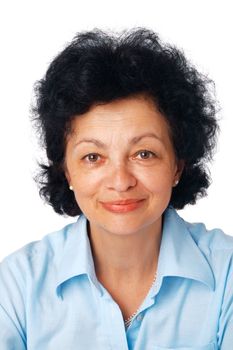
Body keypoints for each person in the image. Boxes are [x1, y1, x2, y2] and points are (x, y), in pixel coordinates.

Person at [0, 27, 232, 350]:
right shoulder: (14, 288)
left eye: (144, 153)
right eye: (93, 157)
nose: (121, 181)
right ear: (66, 170)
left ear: (178, 164)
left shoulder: (227, 275)